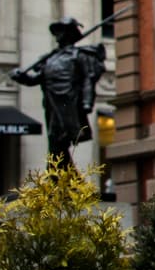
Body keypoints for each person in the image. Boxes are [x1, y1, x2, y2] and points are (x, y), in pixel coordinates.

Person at [11, 17, 106, 164]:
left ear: (69, 33)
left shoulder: (79, 56)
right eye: (56, 31)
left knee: (59, 143)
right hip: (52, 104)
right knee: (55, 142)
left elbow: (88, 79)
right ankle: (65, 182)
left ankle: (62, 181)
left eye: (61, 30)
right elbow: (36, 79)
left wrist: (87, 102)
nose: (57, 34)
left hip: (69, 104)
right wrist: (20, 77)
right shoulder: (50, 58)